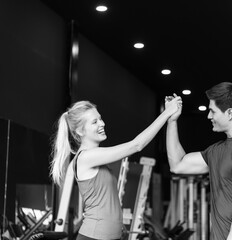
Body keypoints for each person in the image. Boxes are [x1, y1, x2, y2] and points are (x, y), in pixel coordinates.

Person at [50, 97, 182, 240]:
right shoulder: (86, 158)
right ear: (80, 132)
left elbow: (106, 200)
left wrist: (118, 224)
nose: (102, 123)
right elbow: (137, 145)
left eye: (100, 119)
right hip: (93, 237)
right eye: (95, 122)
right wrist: (167, 113)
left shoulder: (97, 158)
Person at [165, 82, 232, 240]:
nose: (208, 116)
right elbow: (177, 165)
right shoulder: (216, 151)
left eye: (212, 111)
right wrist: (172, 121)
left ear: (229, 113)